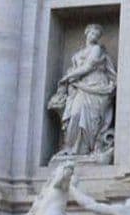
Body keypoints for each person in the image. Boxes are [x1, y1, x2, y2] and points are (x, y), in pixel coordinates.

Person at [49, 24, 116, 158]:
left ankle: (86, 149)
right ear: (86, 34)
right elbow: (76, 68)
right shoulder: (78, 54)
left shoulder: (97, 49)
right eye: (92, 33)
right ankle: (71, 147)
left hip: (96, 86)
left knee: (90, 119)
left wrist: (69, 77)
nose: (94, 37)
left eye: (97, 35)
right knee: (75, 114)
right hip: (80, 87)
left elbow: (88, 66)